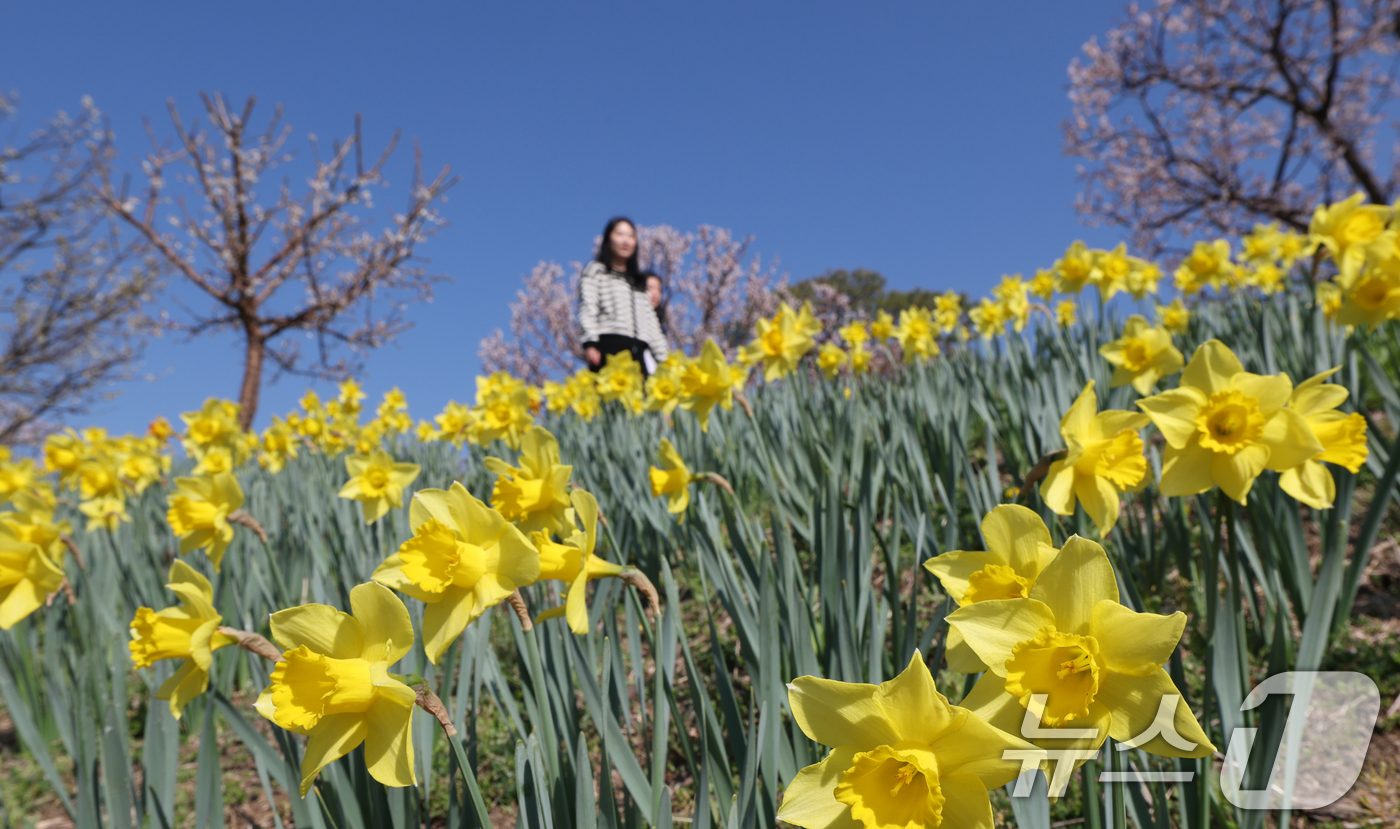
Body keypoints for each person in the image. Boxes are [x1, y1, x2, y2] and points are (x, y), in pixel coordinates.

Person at [578, 217, 668, 374]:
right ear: (608, 239)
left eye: (631, 236)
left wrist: (666, 362)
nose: (626, 241)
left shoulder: (638, 282)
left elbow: (652, 325)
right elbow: (588, 307)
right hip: (609, 348)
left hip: (638, 352)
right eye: (620, 234)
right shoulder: (597, 271)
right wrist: (590, 343)